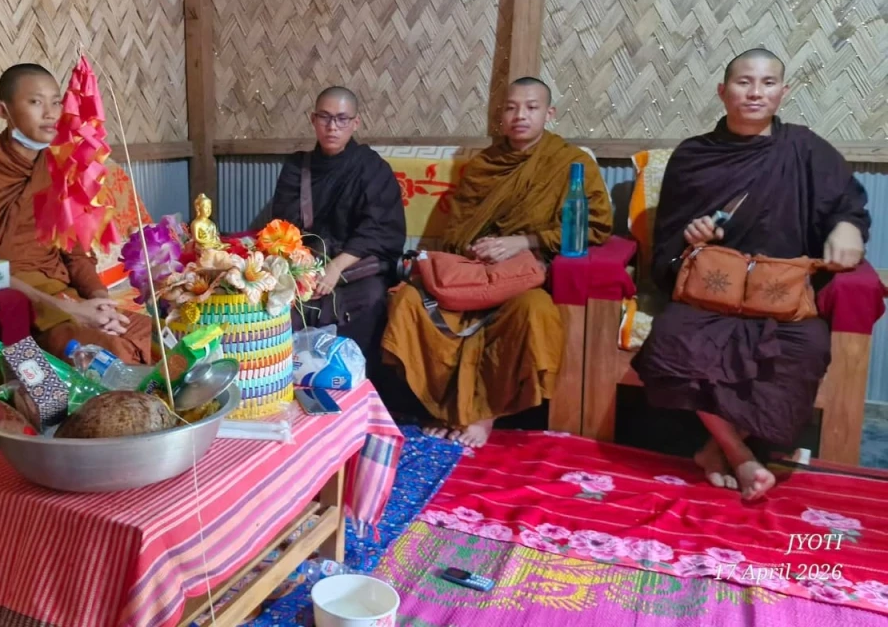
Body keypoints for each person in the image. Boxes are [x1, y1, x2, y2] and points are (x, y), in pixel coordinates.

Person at [632, 48, 869, 501]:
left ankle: (716, 449)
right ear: (722, 91)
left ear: (784, 91)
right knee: (668, 343)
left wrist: (846, 228)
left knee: (805, 347)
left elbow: (847, 207)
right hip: (710, 294)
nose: (755, 92)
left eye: (767, 82)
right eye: (743, 82)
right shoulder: (695, 155)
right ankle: (738, 453)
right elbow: (669, 242)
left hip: (781, 295)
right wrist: (692, 234)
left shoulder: (806, 150)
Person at [381, 77, 611, 447]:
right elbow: (456, 231)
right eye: (511, 107)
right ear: (500, 115)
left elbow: (596, 227)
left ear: (548, 114)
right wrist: (478, 250)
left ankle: (484, 416)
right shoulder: (484, 165)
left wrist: (524, 241)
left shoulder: (570, 164)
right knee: (408, 302)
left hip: (526, 277)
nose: (520, 115)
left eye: (532, 107)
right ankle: (446, 413)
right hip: (473, 273)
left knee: (533, 312)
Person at [0, 63, 154, 364]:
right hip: (19, 301)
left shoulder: (60, 167)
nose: (50, 113)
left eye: (56, 102)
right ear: (3, 110)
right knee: (112, 357)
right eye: (35, 102)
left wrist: (100, 301)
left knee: (156, 338)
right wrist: (68, 310)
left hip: (64, 292)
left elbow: (76, 252)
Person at [269, 86, 407, 358]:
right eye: (325, 117)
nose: (333, 127)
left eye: (342, 119)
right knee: (280, 308)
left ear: (355, 123)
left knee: (371, 299)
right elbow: (283, 228)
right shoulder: (298, 168)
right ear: (313, 120)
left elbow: (380, 229)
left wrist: (336, 266)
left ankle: (355, 383)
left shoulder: (372, 168)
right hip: (306, 271)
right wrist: (304, 272)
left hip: (355, 271)